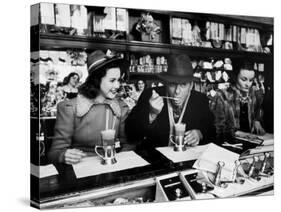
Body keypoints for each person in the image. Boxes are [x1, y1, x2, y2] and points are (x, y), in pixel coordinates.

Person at [48, 50, 130, 164]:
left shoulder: (121, 107)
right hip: (81, 170)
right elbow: (54, 153)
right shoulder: (69, 108)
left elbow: (128, 144)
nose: (117, 85)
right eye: (112, 80)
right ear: (96, 80)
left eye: (119, 80)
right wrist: (63, 155)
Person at [125, 54, 216, 149]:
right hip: (156, 160)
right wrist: (151, 114)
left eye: (183, 85)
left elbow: (212, 131)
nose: (177, 91)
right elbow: (131, 135)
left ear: (191, 85)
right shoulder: (150, 95)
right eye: (173, 84)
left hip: (186, 160)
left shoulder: (200, 100)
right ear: (166, 83)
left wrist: (200, 133)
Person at [211, 61, 265, 142]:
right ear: (235, 77)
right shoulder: (222, 96)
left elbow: (258, 114)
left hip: (250, 144)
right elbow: (216, 129)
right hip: (228, 145)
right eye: (244, 80)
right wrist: (237, 133)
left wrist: (256, 120)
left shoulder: (254, 95)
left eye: (251, 80)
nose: (248, 84)